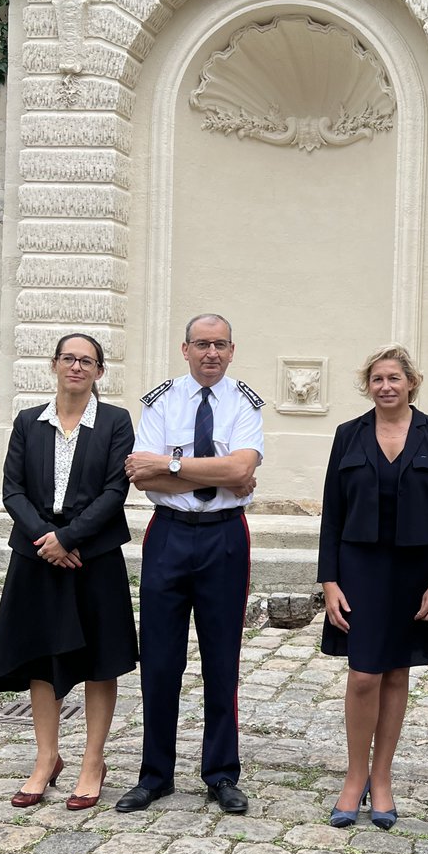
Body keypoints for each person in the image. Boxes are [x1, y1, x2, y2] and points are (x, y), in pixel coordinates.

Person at [115, 314, 264, 815]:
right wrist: (215, 474)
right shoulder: (161, 401)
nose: (211, 353)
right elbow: (142, 476)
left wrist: (172, 464)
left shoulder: (244, 401)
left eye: (220, 344)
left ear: (232, 348)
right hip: (169, 536)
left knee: (222, 661)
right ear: (185, 349)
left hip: (225, 537)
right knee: (160, 661)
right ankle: (154, 775)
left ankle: (221, 774)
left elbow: (242, 469)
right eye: (202, 344)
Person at [0, 334, 137, 811]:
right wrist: (45, 541)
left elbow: (115, 491)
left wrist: (69, 539)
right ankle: (46, 758)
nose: (76, 366)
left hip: (93, 556)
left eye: (86, 360)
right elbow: (12, 491)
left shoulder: (115, 421)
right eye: (68, 358)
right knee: (40, 657)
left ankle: (93, 761)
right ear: (54, 365)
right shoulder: (29, 422)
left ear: (99, 371)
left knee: (99, 659)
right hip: (36, 557)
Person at [318, 344, 428, 830]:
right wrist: (329, 580)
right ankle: (354, 778)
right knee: (363, 675)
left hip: (415, 571)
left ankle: (382, 779)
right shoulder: (348, 435)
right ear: (368, 384)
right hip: (360, 568)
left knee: (397, 673)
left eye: (394, 377)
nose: (385, 386)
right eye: (377, 378)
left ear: (411, 383)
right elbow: (332, 510)